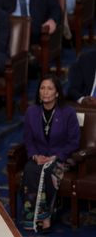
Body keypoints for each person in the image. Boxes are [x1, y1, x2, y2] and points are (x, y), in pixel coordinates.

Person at [22, 74, 80, 232]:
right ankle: (31, 216)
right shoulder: (31, 112)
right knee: (30, 169)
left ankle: (45, 216)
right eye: (42, 88)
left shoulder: (68, 112)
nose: (45, 92)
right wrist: (34, 155)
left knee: (50, 172)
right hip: (39, 156)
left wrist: (56, 156)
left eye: (49, 88)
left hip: (61, 158)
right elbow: (28, 139)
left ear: (57, 93)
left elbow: (74, 141)